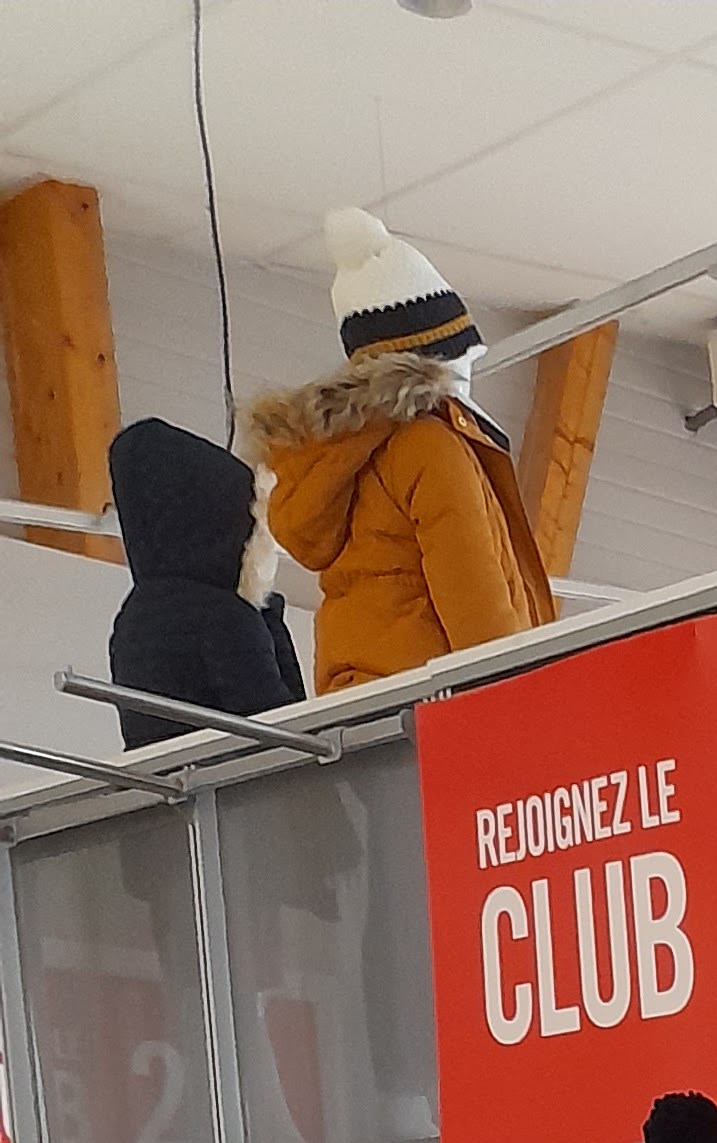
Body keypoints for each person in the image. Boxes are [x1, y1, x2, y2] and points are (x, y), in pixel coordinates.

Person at [238, 209, 554, 696]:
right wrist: (520, 701)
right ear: (435, 361)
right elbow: (475, 597)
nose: (471, 365)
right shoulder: (429, 447)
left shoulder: (333, 454)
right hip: (439, 701)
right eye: (465, 353)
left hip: (360, 703)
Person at [103, 420, 303, 744]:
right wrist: (267, 613)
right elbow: (284, 727)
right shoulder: (224, 616)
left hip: (166, 773)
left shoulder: (133, 617)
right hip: (232, 773)